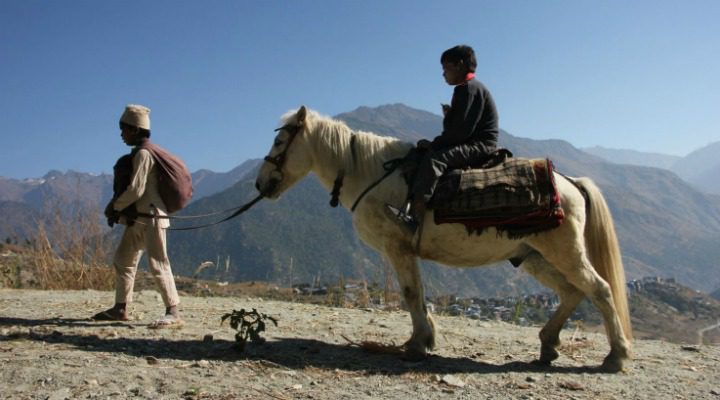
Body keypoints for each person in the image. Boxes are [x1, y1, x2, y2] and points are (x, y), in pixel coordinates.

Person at [388, 45, 499, 232]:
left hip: (480, 146)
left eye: (446, 68)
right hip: (473, 142)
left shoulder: (469, 89)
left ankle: (416, 218)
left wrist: (434, 144)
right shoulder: (469, 88)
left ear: (460, 65)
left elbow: (460, 133)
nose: (443, 74)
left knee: (434, 160)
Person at [92, 104, 183, 328]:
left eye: (124, 129)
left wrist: (115, 206)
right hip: (140, 217)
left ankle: (173, 311)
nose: (121, 134)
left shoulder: (143, 154)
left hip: (151, 216)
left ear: (134, 130)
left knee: (158, 263)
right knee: (123, 259)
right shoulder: (142, 153)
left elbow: (136, 190)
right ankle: (120, 308)